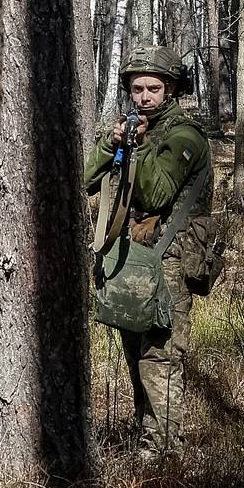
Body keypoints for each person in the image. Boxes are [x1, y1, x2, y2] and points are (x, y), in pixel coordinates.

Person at [84, 44, 215, 455]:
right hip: (134, 255)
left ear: (171, 89)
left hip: (171, 257)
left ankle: (163, 454)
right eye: (137, 88)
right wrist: (112, 145)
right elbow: (87, 180)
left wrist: (137, 149)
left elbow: (158, 194)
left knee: (160, 355)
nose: (144, 96)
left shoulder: (183, 135)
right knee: (133, 349)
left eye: (153, 88)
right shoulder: (133, 129)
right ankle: (148, 439)